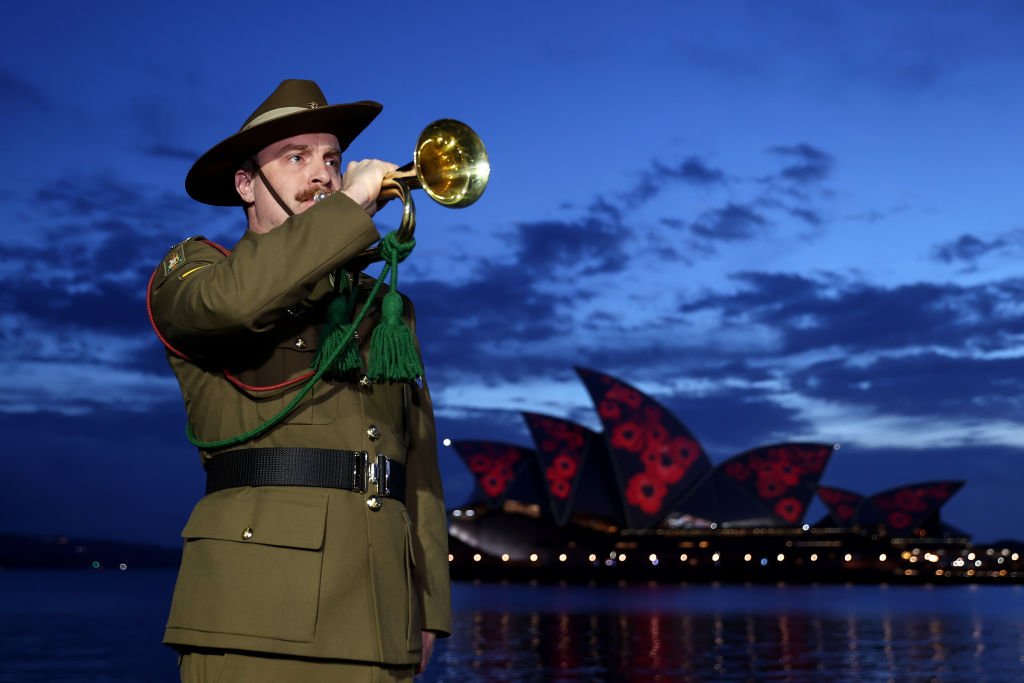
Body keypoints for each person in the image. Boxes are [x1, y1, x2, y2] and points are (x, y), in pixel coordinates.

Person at [147, 79, 451, 682]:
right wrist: (350, 208)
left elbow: (415, 466)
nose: (323, 175)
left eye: (333, 160)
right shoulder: (194, 272)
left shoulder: (384, 308)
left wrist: (428, 607)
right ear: (245, 185)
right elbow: (236, 304)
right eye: (296, 158)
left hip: (380, 614)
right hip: (257, 610)